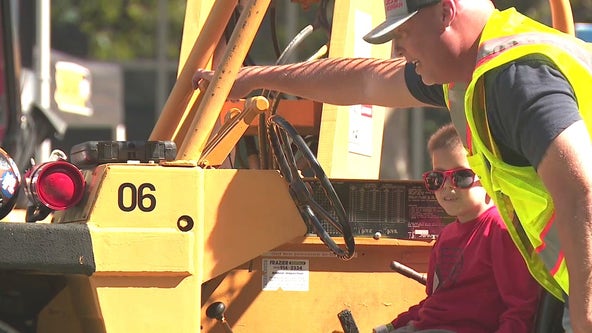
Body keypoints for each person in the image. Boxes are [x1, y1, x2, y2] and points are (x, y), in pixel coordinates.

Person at [192, 0, 592, 331]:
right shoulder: (473, 76)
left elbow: (581, 188)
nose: (400, 50)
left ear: (446, 12)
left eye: (403, 34)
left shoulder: (514, 77)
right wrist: (251, 79)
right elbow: (365, 81)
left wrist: (586, 307)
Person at [372, 123, 541, 333]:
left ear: (487, 174)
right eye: (437, 179)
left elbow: (520, 309)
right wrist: (389, 327)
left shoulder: (500, 229)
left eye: (461, 177)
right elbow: (435, 301)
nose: (447, 187)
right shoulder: (446, 236)